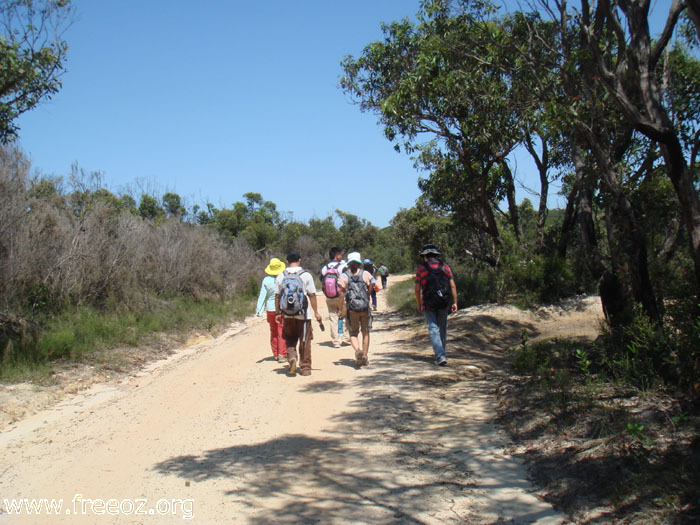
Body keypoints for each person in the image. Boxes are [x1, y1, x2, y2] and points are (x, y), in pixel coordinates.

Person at [275, 250, 322, 376]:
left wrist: (278, 313)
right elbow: (312, 295)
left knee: (289, 337)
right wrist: (316, 312)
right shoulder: (306, 275)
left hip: (287, 314)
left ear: (287, 261)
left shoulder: (281, 275)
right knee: (305, 340)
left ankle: (291, 357)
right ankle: (305, 368)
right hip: (304, 314)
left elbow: (277, 296)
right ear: (300, 260)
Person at [414, 244, 458, 366]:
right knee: (442, 328)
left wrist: (418, 304)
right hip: (443, 302)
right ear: (436, 255)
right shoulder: (445, 267)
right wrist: (455, 302)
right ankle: (441, 354)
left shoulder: (421, 269)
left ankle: (440, 355)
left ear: (425, 256)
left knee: (433, 329)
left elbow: (417, 289)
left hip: (428, 303)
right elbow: (453, 285)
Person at [339, 252, 373, 368]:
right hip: (364, 307)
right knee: (365, 332)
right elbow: (370, 289)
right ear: (359, 263)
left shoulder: (344, 276)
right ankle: (364, 356)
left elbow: (342, 293)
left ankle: (357, 350)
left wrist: (341, 308)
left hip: (352, 308)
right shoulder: (366, 274)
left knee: (353, 333)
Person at [255, 257, 287, 362]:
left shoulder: (266, 280)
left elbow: (262, 296)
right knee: (281, 331)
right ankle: (283, 353)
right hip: (281, 308)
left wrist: (259, 310)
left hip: (270, 310)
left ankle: (276, 354)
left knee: (273, 331)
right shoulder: (283, 278)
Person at [320, 247, 350, 348]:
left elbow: (321, 280)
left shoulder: (325, 267)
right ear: (337, 255)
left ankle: (336, 341)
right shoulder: (342, 267)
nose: (341, 256)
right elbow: (347, 279)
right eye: (340, 254)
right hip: (341, 295)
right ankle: (346, 338)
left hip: (329, 296)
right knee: (345, 316)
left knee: (333, 318)